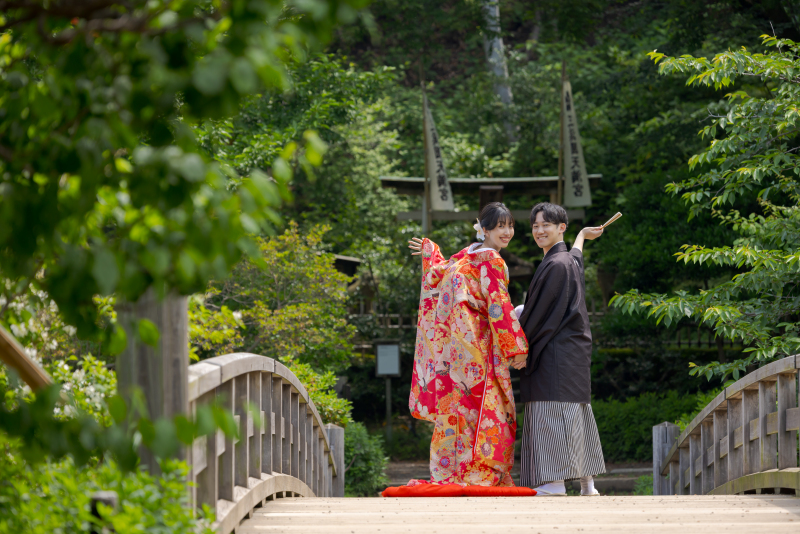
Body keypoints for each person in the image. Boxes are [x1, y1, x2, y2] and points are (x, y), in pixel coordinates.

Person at [407, 202, 529, 486]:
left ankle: (450, 470)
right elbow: (498, 305)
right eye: (500, 226)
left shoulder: (465, 256)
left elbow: (437, 273)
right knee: (487, 402)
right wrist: (516, 349)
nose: (507, 232)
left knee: (456, 402)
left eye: (510, 226)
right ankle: (480, 472)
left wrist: (431, 251)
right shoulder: (492, 260)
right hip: (476, 342)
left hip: (452, 346)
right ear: (483, 228)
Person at [516, 202, 606, 496]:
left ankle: (554, 483)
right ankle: (587, 484)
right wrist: (581, 236)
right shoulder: (567, 261)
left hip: (555, 352)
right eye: (535, 226)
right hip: (572, 354)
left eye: (546, 225)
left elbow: (538, 314)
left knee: (551, 414)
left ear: (560, 228)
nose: (539, 231)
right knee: (575, 415)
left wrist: (517, 343)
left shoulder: (556, 264)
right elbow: (577, 258)